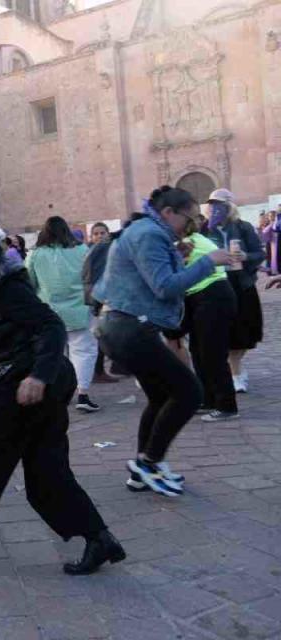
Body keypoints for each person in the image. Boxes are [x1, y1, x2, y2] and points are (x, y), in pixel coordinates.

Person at [0, 218, 125, 576]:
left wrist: (37, 376)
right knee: (46, 474)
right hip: (29, 382)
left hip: (23, 382)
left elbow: (50, 326)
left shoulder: (9, 285)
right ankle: (99, 539)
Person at [95, 186, 236, 497]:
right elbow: (165, 288)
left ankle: (143, 469)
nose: (193, 226)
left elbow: (152, 279)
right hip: (129, 328)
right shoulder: (149, 233)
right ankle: (148, 463)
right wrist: (208, 261)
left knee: (161, 397)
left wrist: (179, 257)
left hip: (123, 326)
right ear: (168, 212)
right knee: (189, 391)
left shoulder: (148, 231)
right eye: (190, 219)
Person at [163, 213, 239, 424]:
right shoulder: (190, 239)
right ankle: (209, 399)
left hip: (212, 295)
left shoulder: (188, 242)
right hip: (202, 297)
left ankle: (227, 405)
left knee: (212, 353)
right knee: (198, 351)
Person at [25, 216, 101, 413]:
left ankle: (56, 392)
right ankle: (82, 393)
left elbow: (29, 283)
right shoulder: (83, 251)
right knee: (83, 352)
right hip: (80, 310)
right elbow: (91, 279)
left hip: (48, 313)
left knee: (54, 353)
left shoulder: (35, 254)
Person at [202, 189, 265, 394]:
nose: (215, 208)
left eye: (220, 204)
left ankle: (236, 366)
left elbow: (259, 253)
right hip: (217, 284)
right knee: (226, 330)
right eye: (212, 204)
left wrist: (245, 256)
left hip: (242, 283)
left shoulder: (242, 227)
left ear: (230, 206)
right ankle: (235, 372)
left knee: (246, 331)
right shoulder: (204, 229)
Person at [83, 221, 119, 383]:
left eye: (102, 233)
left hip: (108, 294)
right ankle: (99, 370)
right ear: (91, 236)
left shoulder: (108, 249)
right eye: (96, 233)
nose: (99, 236)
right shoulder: (92, 251)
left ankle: (114, 366)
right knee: (101, 333)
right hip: (98, 297)